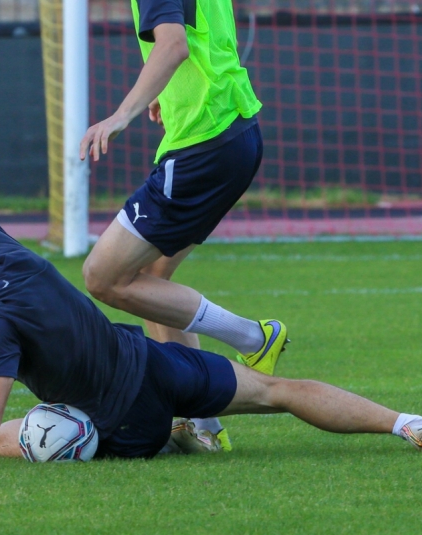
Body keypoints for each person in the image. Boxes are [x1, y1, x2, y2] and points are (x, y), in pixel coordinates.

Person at [0, 182, 422, 473]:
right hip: (156, 364)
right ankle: (405, 422)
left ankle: (174, 436)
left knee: (15, 438)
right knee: (282, 390)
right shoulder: (2, 251)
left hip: (128, 425)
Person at [79, 0, 281, 442]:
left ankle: (252, 337)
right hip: (233, 129)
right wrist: (162, 95)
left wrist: (121, 115)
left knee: (103, 276)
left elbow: (172, 46)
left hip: (204, 143)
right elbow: (198, 39)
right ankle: (204, 426)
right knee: (152, 280)